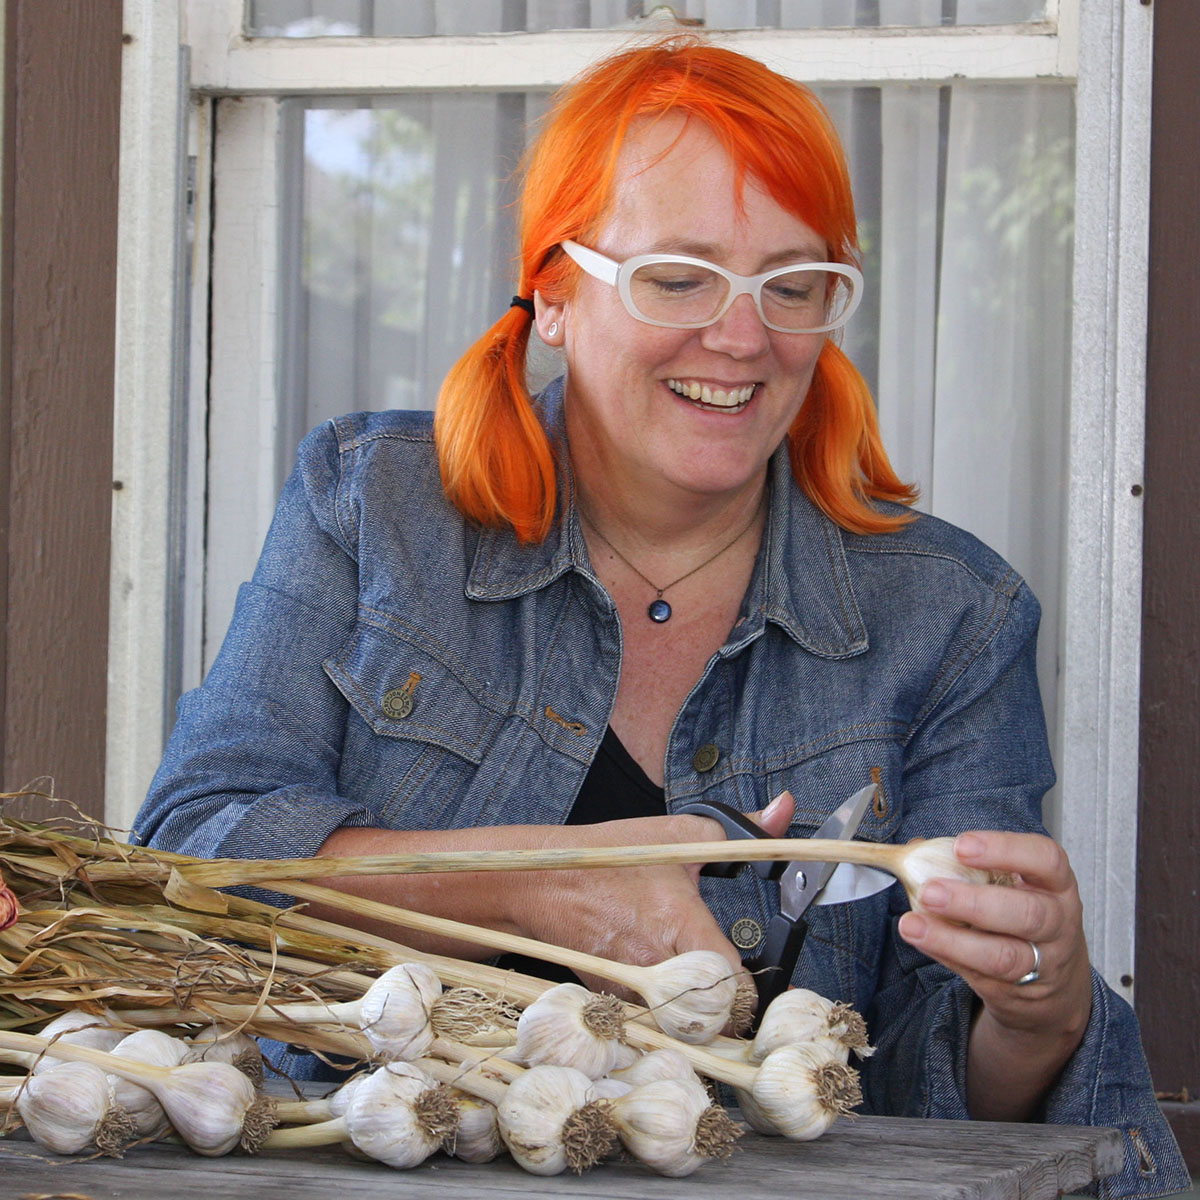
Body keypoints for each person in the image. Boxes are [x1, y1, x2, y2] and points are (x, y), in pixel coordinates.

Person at [134, 35, 1186, 1198]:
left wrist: (1041, 1018)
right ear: (555, 295)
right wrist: (552, 879)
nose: (743, 338)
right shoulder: (374, 507)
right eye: (677, 277)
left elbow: (937, 1098)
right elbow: (186, 861)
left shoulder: (951, 617)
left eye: (792, 284)